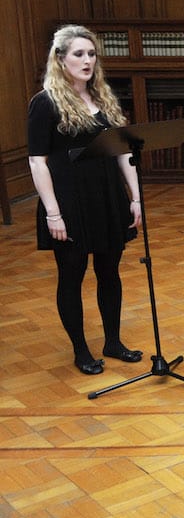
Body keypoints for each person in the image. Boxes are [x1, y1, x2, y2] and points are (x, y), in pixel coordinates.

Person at [27, 24, 143, 375]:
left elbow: (124, 151)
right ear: (60, 59)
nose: (87, 60)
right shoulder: (44, 103)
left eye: (91, 54)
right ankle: (80, 350)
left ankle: (113, 341)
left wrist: (135, 198)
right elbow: (37, 161)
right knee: (72, 275)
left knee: (110, 272)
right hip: (68, 202)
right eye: (79, 54)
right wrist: (53, 214)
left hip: (107, 198)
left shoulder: (104, 98)